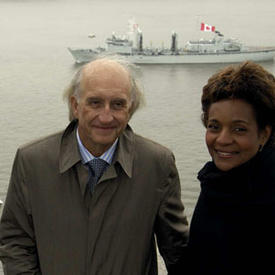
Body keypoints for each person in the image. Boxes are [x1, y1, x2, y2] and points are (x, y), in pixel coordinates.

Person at [0, 56, 189, 275]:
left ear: (131, 108)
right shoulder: (32, 162)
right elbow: (15, 241)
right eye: (95, 102)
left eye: (118, 104)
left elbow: (178, 251)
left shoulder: (157, 164)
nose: (106, 116)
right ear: (75, 106)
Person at [188, 61, 275, 275]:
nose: (223, 140)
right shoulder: (215, 183)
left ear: (264, 133)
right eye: (214, 127)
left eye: (239, 129)